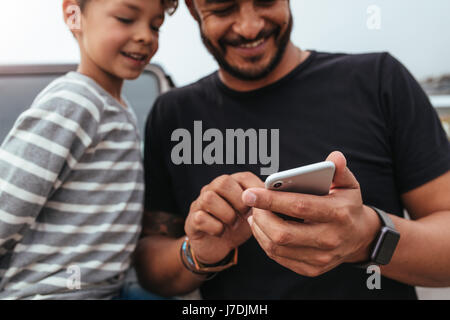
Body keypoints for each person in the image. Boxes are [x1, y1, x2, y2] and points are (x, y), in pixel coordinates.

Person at [136, 0, 450, 299]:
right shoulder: (174, 115)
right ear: (193, 8)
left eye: (265, 2)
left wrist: (366, 239)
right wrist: (197, 252)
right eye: (222, 9)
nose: (249, 27)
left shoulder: (379, 81)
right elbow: (151, 269)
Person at [0, 0, 177, 299]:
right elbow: (7, 206)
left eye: (155, 25)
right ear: (73, 15)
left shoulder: (117, 108)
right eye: (125, 18)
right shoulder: (73, 102)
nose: (146, 36)